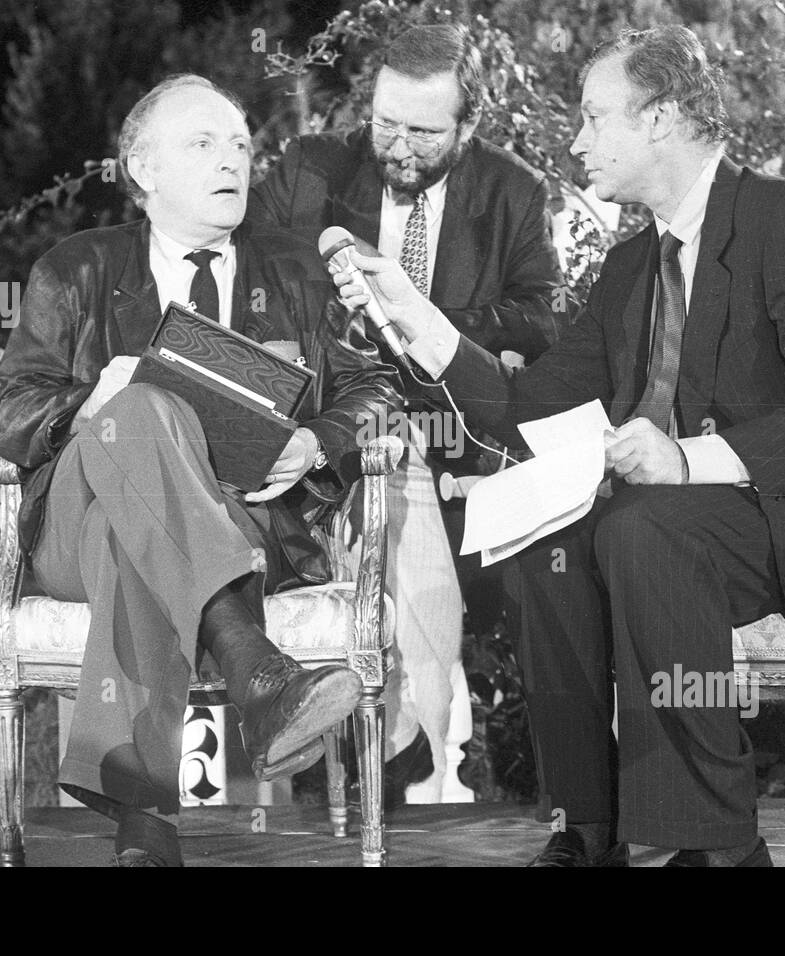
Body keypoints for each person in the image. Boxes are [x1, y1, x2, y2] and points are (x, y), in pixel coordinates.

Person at [330, 25, 785, 866]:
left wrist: (685, 462)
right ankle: (589, 827)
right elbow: (521, 406)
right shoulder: (628, 270)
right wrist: (414, 319)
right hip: (679, 525)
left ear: (662, 118)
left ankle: (714, 845)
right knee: (549, 543)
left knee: (645, 527)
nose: (576, 141)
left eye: (593, 117)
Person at [0, 74, 400, 867]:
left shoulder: (295, 272)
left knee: (132, 539)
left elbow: (373, 389)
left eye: (242, 145)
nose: (233, 161)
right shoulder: (74, 270)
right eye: (204, 143)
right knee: (140, 409)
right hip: (75, 524)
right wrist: (90, 403)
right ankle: (255, 668)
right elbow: (10, 413)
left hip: (249, 521)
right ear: (143, 169)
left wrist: (315, 442)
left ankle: (143, 828)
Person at [248, 23, 566, 802]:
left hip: (450, 436)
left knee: (410, 494)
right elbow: (250, 282)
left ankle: (399, 754)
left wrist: (427, 319)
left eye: (423, 132)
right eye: (385, 123)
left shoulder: (512, 191)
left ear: (468, 124)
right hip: (330, 430)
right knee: (376, 487)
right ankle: (385, 754)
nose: (397, 147)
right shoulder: (311, 171)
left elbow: (541, 317)